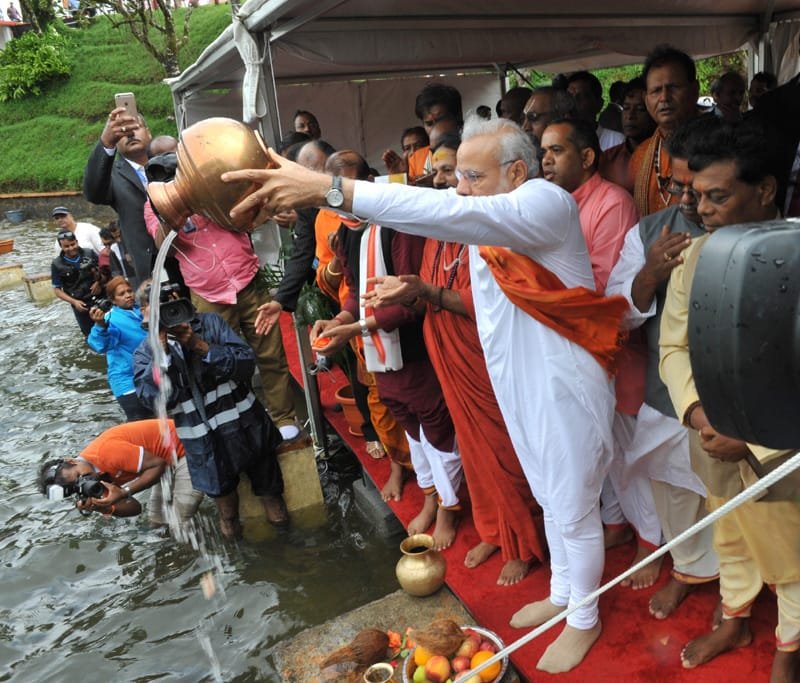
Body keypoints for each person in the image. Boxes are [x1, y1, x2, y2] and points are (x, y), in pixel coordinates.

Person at [223, 115, 627, 674]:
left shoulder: (543, 204)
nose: (456, 188)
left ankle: (585, 618)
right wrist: (315, 201)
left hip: (564, 387)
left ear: (515, 171)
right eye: (455, 176)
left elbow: (448, 212)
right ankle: (564, 592)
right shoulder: (492, 220)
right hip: (517, 385)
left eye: (470, 176)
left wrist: (329, 188)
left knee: (572, 503)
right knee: (549, 492)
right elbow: (423, 210)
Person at [364, 132, 548, 586]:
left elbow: (484, 303)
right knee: (472, 445)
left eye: (463, 173)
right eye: (445, 172)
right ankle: (493, 529)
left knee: (504, 447)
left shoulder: (496, 224)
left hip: (486, 353)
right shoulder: (440, 228)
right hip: (445, 348)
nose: (452, 182)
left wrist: (427, 292)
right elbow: (425, 290)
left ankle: (523, 542)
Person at [659, 121, 800, 681]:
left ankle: (789, 647)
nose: (704, 210)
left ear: (764, 189)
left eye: (720, 197)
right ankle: (735, 617)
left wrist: (752, 431)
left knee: (792, 554)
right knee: (731, 534)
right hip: (712, 438)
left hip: (778, 453)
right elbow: (673, 345)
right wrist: (699, 414)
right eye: (698, 197)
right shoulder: (695, 257)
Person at [311, 157, 463, 551]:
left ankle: (450, 506)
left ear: (367, 184)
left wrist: (357, 328)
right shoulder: (350, 229)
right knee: (406, 418)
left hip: (412, 346)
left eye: (344, 188)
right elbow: (351, 286)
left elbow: (412, 301)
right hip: (379, 349)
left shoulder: (397, 224)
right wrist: (341, 318)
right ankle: (431, 494)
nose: (338, 199)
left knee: (434, 422)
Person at [605, 117, 719, 618]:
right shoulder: (650, 231)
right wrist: (649, 272)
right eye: (674, 186)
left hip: (736, 394)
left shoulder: (750, 223)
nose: (687, 202)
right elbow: (618, 311)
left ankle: (741, 592)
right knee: (675, 489)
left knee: (739, 498)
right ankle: (690, 571)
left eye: (697, 188)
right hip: (668, 392)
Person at [143, 143, 302, 441]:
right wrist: (174, 209)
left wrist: (204, 193)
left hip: (248, 281)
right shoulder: (155, 201)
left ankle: (284, 417)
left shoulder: (209, 180)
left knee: (271, 354)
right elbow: (161, 242)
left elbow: (246, 213)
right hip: (208, 294)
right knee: (220, 360)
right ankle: (243, 420)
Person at [133, 284, 288, 538]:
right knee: (227, 515)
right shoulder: (145, 352)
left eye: (171, 302)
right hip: (205, 445)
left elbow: (246, 363)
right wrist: (162, 356)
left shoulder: (211, 324)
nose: (168, 311)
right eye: (159, 306)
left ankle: (288, 549)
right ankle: (240, 565)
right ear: (144, 312)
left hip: (248, 428)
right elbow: (156, 401)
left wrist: (199, 345)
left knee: (274, 501)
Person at [38, 419, 203, 527]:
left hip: (188, 446)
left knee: (179, 523)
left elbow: (157, 465)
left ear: (72, 461)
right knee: (156, 523)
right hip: (165, 462)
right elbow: (135, 508)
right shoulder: (90, 484)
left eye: (79, 476)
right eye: (77, 486)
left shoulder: (106, 452)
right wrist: (102, 507)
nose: (85, 481)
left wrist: (125, 491)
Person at [83, 106, 155, 289]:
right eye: (122, 132)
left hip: (192, 259)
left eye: (135, 127)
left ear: (149, 132)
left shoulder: (171, 161)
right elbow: (93, 193)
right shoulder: (112, 176)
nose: (130, 134)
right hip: (150, 269)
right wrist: (106, 143)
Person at [630, 45, 700, 217]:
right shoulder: (641, 154)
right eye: (655, 91)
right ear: (646, 100)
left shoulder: (719, 145)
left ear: (694, 90)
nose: (664, 97)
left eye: (673, 87)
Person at [87, 276, 152, 421]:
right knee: (141, 426)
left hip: (149, 376)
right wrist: (100, 326)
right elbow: (99, 345)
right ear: (113, 300)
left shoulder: (141, 311)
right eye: (121, 294)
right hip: (128, 382)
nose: (128, 295)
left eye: (129, 291)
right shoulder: (111, 319)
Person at [382, 82, 463, 181]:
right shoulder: (415, 159)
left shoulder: (473, 149)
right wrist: (401, 177)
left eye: (440, 120)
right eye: (429, 123)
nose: (435, 128)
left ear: (457, 117)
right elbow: (407, 195)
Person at [599, 78, 656, 192]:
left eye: (640, 109)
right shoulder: (608, 158)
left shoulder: (665, 157)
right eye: (626, 108)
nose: (630, 115)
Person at [51, 229, 101, 337]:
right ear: (61, 247)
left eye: (73, 244)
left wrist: (98, 282)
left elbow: (104, 272)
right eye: (66, 246)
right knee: (90, 335)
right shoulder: (56, 264)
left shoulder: (89, 253)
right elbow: (57, 290)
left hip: (99, 297)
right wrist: (74, 302)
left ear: (77, 242)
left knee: (110, 326)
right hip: (80, 304)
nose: (71, 248)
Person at [566, 71, 625, 151]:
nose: (573, 102)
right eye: (569, 96)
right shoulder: (558, 141)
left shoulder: (616, 142)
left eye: (581, 96)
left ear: (599, 104)